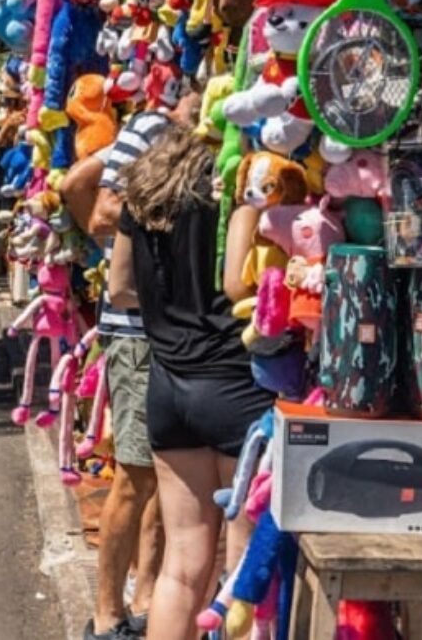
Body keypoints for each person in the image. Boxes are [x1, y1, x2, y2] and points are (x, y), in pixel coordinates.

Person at [106, 123, 275, 640]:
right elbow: (241, 285)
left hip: (168, 386)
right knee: (242, 572)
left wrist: (173, 312)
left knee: (181, 566)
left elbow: (118, 288)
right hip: (237, 387)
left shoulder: (145, 195)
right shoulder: (240, 191)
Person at [60, 91, 201, 640]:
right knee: (136, 473)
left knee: (170, 474)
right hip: (138, 328)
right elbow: (97, 206)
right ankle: (106, 614)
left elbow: (79, 185)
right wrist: (133, 248)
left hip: (180, 330)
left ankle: (145, 597)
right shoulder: (151, 129)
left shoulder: (205, 138)